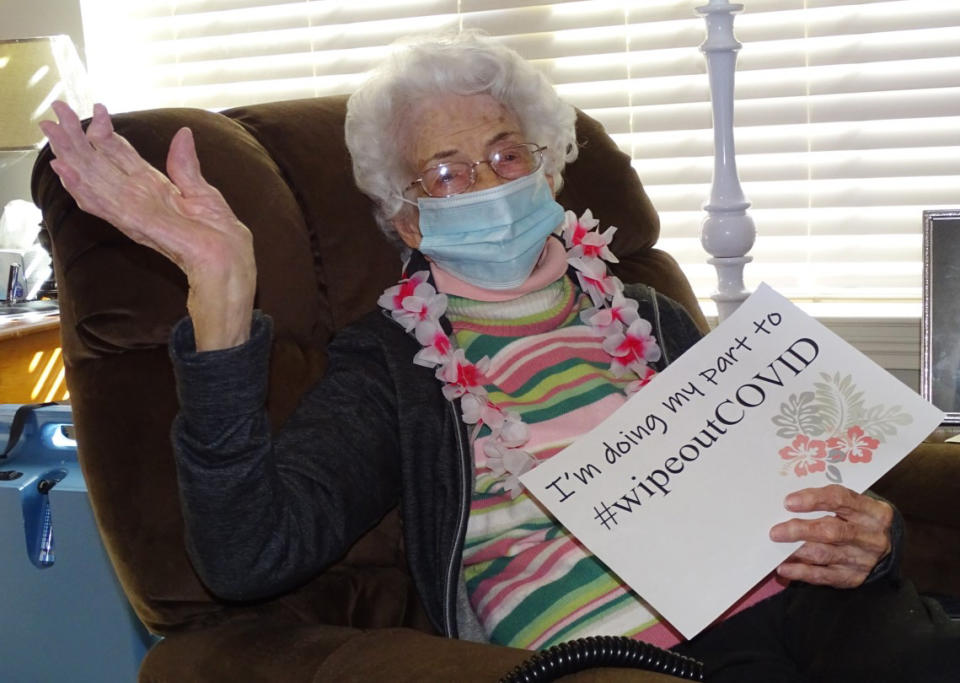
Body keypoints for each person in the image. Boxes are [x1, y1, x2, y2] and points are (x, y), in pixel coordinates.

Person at [39, 31, 958, 682]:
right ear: (405, 217)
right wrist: (222, 297)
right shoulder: (391, 362)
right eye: (444, 172)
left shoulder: (648, 313)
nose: (485, 184)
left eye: (505, 153)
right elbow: (245, 555)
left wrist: (873, 541)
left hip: (814, 607)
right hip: (633, 655)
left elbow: (792, 484)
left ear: (551, 167)